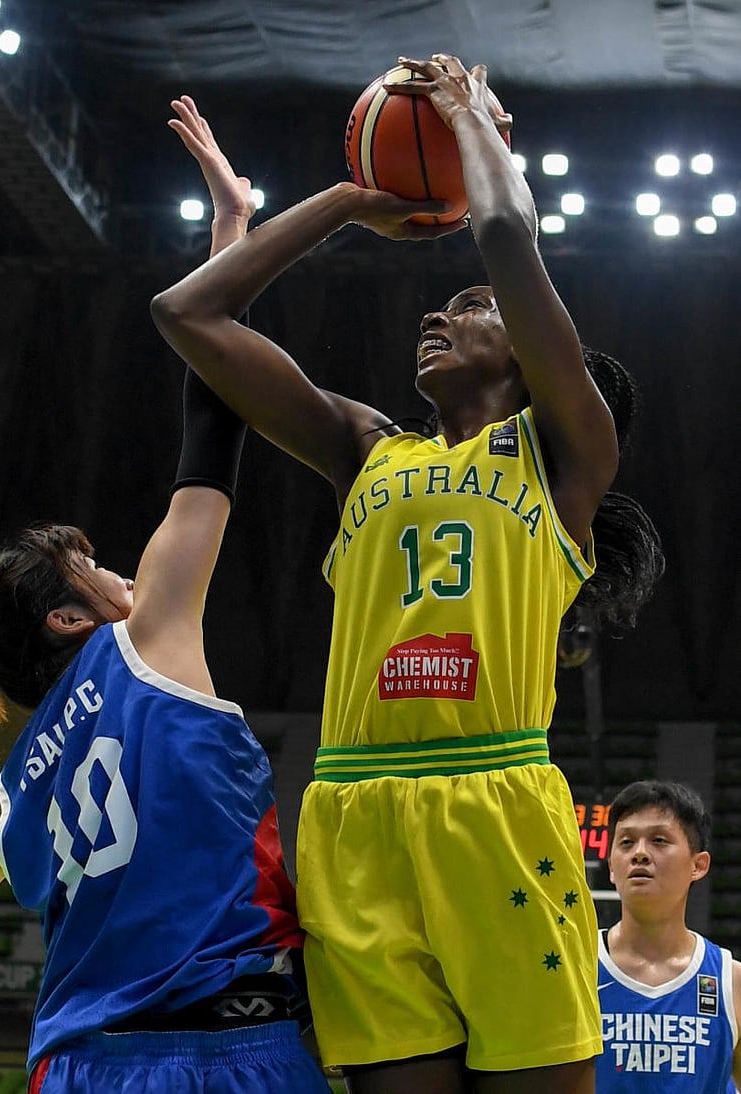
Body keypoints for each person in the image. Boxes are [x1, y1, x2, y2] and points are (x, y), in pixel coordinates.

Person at [150, 54, 664, 1093]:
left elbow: (510, 236)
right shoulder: (365, 447)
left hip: (496, 796)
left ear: (525, 353)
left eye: (472, 307)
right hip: (352, 808)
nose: (437, 315)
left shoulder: (563, 457)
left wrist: (475, 128)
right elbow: (189, 315)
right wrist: (350, 199)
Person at [0, 96, 331, 1094]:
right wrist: (232, 227)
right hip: (224, 1049)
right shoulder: (148, 635)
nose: (125, 569)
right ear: (72, 615)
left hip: (76, 1066)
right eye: (96, 566)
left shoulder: (16, 790)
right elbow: (216, 409)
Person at [598, 780, 741, 1092]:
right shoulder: (574, 969)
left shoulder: (732, 982)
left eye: (659, 840)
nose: (639, 854)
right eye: (626, 842)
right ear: (611, 867)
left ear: (698, 865)